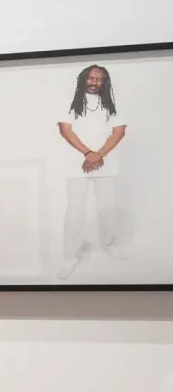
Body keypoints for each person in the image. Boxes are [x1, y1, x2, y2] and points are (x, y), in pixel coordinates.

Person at [56, 63, 127, 279]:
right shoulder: (69, 101)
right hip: (77, 165)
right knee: (75, 209)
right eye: (91, 78)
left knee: (107, 206)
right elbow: (65, 129)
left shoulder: (113, 104)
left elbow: (119, 132)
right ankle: (69, 258)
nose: (95, 82)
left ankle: (109, 243)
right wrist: (88, 153)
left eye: (99, 79)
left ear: (105, 82)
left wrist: (99, 154)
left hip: (106, 163)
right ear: (83, 79)